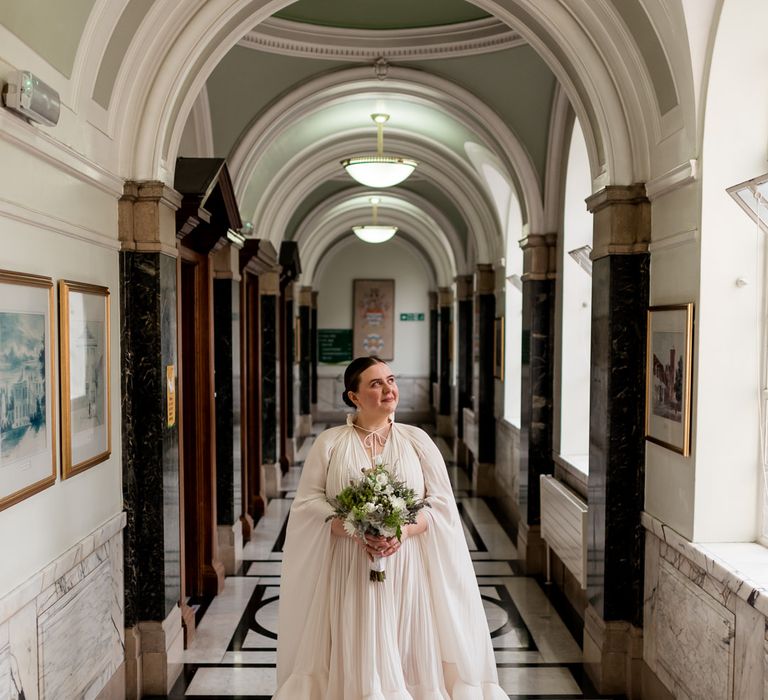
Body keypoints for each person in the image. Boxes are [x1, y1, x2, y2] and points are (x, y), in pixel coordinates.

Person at [274, 356, 507, 699]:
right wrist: (355, 527)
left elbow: (441, 504)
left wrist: (402, 531)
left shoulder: (418, 441)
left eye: (391, 380)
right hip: (349, 565)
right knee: (356, 637)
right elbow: (309, 504)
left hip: (406, 565)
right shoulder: (330, 443)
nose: (388, 389)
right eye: (375, 383)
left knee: (408, 642)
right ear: (353, 396)